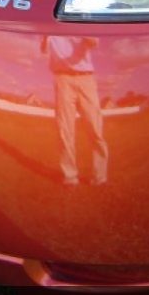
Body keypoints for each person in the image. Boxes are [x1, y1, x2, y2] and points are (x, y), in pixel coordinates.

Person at [40, 36, 108, 186]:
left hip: (86, 79)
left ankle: (100, 176)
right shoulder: (51, 25)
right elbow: (43, 49)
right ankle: (70, 176)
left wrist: (81, 33)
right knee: (65, 129)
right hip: (62, 79)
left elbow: (94, 42)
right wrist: (46, 34)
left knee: (95, 128)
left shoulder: (80, 18)